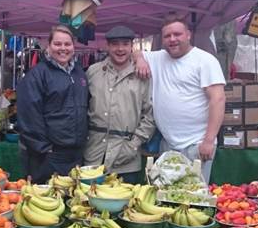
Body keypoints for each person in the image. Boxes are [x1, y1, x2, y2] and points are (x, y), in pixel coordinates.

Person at [134, 14, 226, 183]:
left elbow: (218, 100)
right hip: (168, 144)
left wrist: (209, 140)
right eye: (167, 36)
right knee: (168, 195)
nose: (172, 39)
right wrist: (140, 59)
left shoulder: (204, 60)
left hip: (196, 144)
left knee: (194, 197)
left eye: (177, 34)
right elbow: (135, 51)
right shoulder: (158, 57)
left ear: (188, 35)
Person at [17, 25, 89, 184]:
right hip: (49, 156)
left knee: (74, 203)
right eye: (57, 44)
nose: (63, 48)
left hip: (75, 155)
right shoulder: (37, 75)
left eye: (67, 44)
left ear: (73, 46)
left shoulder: (79, 73)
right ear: (48, 46)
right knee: (48, 202)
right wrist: (44, 148)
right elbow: (29, 115)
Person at [83, 25, 155, 184]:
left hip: (126, 158)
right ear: (107, 46)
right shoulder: (93, 72)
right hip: (94, 154)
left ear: (131, 46)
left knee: (123, 204)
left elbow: (149, 115)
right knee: (88, 204)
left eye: (125, 43)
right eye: (115, 44)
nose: (120, 49)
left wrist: (134, 144)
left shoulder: (142, 75)